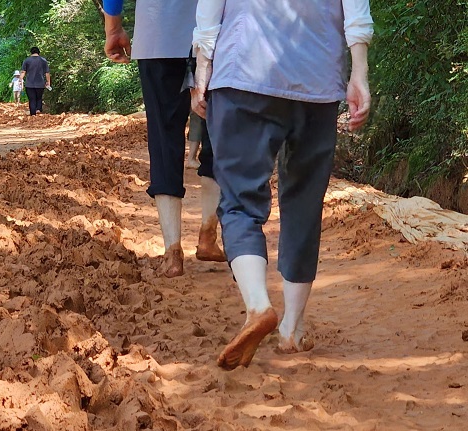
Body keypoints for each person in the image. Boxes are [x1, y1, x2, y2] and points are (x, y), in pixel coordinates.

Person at [192, 0, 373, 370]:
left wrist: (202, 67)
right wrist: (359, 73)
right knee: (305, 203)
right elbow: (356, 8)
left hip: (244, 71)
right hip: (318, 77)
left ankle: (258, 307)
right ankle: (292, 327)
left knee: (241, 200)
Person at [103, 0, 226, 278]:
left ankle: (173, 252)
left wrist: (114, 27)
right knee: (217, 133)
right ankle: (208, 234)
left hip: (158, 36)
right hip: (217, 38)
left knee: (164, 138)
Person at [20, 47, 50, 116]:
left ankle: (33, 114)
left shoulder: (27, 60)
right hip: (40, 83)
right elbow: (47, 73)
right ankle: (38, 109)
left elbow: (23, 72)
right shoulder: (43, 60)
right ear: (38, 52)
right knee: (39, 98)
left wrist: (20, 80)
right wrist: (48, 82)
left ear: (31, 52)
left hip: (29, 84)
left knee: (32, 99)